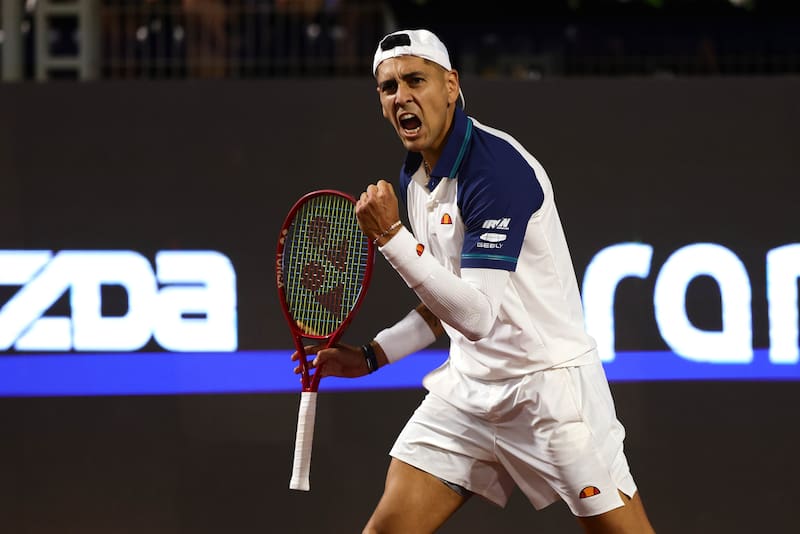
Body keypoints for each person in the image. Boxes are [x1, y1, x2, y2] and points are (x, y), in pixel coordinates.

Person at [293, 28, 657, 533]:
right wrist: (374, 355)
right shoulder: (415, 177)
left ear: (451, 86)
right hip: (469, 391)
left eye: (415, 80)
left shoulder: (496, 171)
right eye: (388, 87)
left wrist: (392, 237)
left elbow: (477, 315)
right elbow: (448, 300)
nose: (401, 96)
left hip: (548, 391)